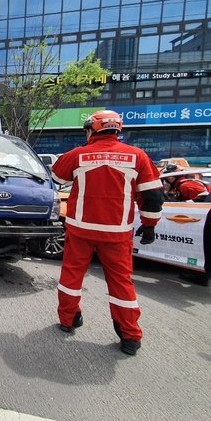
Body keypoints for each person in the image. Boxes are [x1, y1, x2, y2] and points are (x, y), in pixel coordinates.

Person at [52, 110, 164, 356]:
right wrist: (150, 224)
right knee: (121, 283)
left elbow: (57, 175)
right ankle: (130, 336)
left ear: (92, 129)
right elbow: (153, 196)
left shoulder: (79, 155)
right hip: (117, 233)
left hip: (80, 228)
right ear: (117, 129)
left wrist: (84, 151)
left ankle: (68, 320)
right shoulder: (137, 156)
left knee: (71, 276)